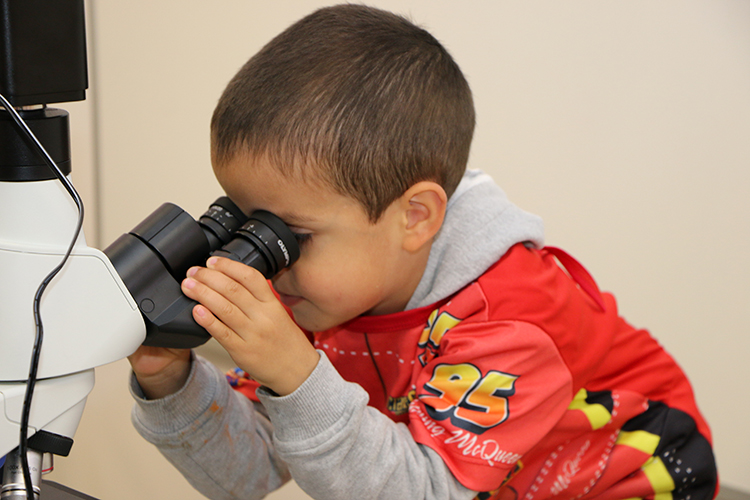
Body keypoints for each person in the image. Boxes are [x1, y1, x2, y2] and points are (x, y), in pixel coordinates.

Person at [127, 4, 718, 500]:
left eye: (291, 236)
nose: (267, 259)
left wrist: (299, 379)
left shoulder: (510, 319)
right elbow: (252, 472)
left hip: (636, 479)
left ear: (415, 217)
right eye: (247, 222)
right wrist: (173, 381)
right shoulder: (315, 290)